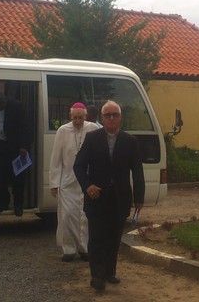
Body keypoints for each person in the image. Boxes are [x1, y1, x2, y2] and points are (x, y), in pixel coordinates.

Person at [73, 100, 145, 292]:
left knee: (114, 238)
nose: (111, 118)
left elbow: (137, 171)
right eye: (108, 115)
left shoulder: (130, 142)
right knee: (97, 237)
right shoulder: (92, 138)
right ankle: (97, 276)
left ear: (120, 118)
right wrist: (87, 186)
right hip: (97, 198)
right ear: (102, 118)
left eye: (115, 115)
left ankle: (109, 272)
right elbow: (78, 166)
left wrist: (139, 198)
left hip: (120, 199)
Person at [49, 102, 99, 262]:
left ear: (86, 117)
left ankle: (84, 249)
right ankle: (69, 250)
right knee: (68, 215)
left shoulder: (93, 129)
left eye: (81, 118)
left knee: (85, 217)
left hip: (86, 182)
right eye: (75, 118)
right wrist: (54, 183)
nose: (78, 121)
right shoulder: (62, 131)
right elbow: (55, 159)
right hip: (67, 182)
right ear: (70, 117)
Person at [0, 91, 31, 216]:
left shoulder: (17, 106)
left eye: (2, 105)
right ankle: (3, 203)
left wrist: (24, 146)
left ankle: (18, 205)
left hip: (16, 147)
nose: (0, 108)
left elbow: (25, 126)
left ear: (6, 100)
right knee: (0, 177)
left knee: (18, 177)